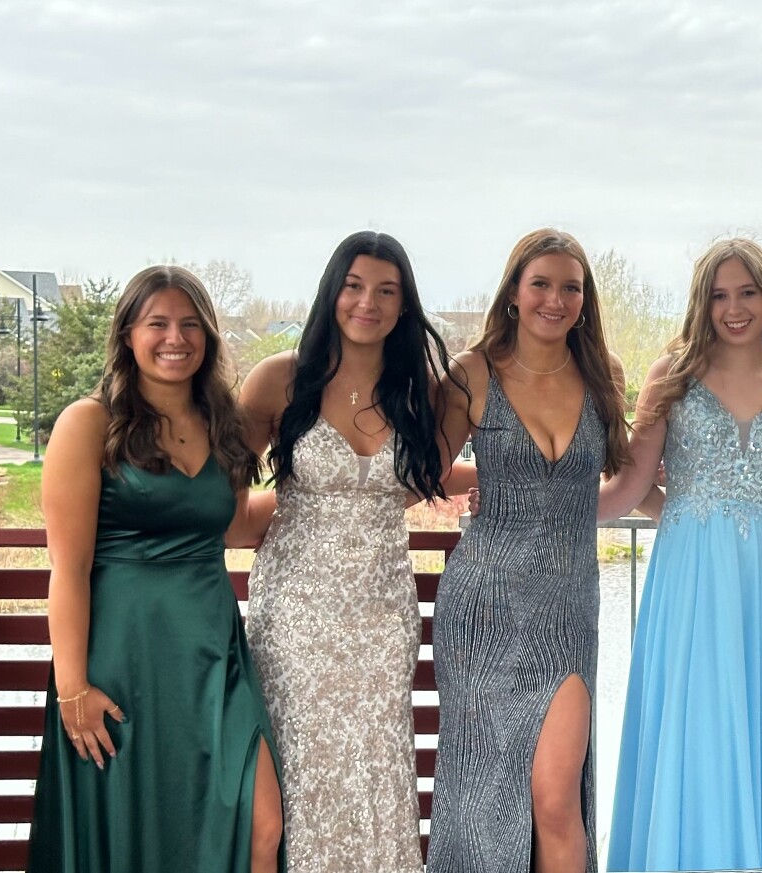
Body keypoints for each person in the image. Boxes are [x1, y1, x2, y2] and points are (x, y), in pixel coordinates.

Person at [28, 265, 284, 872]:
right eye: (158, 323)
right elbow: (68, 568)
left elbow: (234, 526)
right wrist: (73, 687)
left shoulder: (223, 425)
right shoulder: (88, 423)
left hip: (212, 654)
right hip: (122, 660)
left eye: (190, 325)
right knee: (132, 825)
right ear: (128, 334)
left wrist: (349, 498)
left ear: (208, 337)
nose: (176, 338)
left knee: (262, 823)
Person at [239, 231, 456, 872]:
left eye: (387, 291)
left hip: (383, 613)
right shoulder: (279, 379)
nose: (368, 303)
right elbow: (222, 503)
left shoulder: (422, 389)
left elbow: (424, 480)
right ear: (332, 291)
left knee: (374, 767)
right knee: (296, 767)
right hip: (295, 612)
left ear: (404, 304)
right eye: (355, 286)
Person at [601, 238, 762, 871]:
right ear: (703, 302)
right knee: (695, 725)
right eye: (720, 295)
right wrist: (534, 504)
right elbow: (630, 489)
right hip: (691, 579)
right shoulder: (671, 376)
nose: (734, 308)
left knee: (758, 726)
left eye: (747, 292)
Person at [427, 229, 629, 873]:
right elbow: (426, 472)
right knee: (483, 800)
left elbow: (623, 479)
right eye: (540, 283)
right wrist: (485, 483)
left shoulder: (603, 375)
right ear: (514, 292)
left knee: (556, 799)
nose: (555, 299)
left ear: (584, 300)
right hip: (482, 611)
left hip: (568, 612)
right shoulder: (473, 372)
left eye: (571, 287)